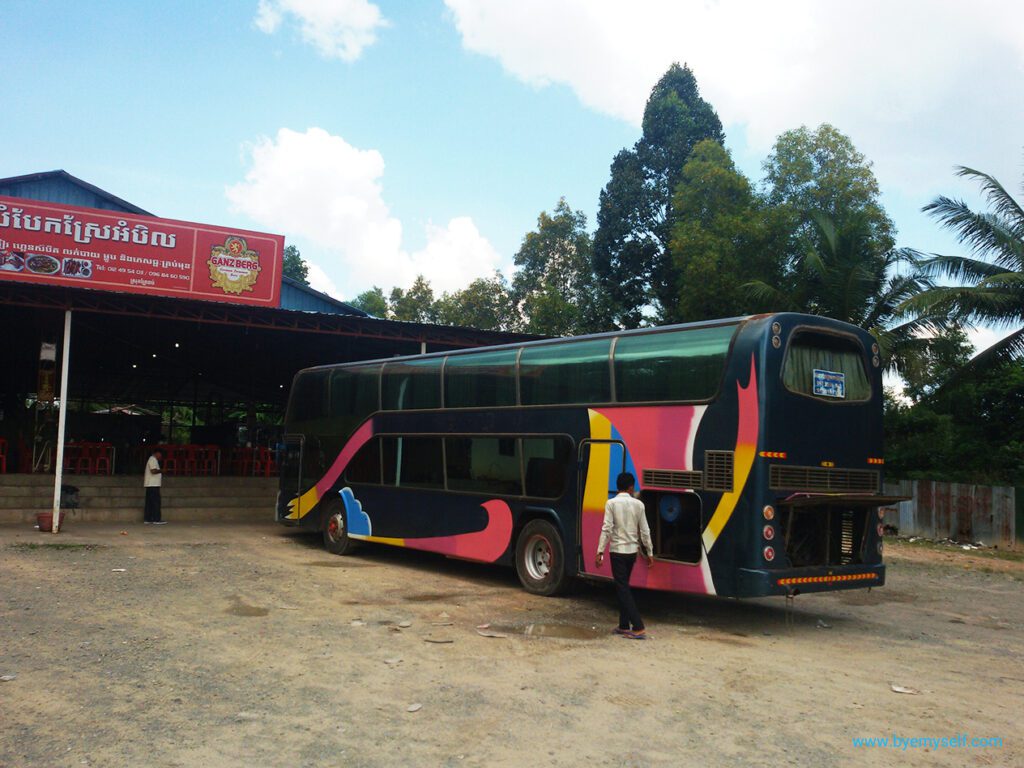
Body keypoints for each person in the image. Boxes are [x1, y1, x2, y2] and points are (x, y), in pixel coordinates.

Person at [595, 472, 653, 639]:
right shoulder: (638, 505)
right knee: (624, 586)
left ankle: (638, 626)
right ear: (630, 487)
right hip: (632, 553)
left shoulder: (611, 503)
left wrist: (600, 551)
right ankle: (623, 624)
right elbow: (645, 530)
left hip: (617, 552)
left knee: (622, 589)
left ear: (618, 486)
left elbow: (606, 529)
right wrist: (649, 552)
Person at [143, 448, 166, 525]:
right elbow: (153, 471)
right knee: (156, 502)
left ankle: (148, 518)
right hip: (153, 484)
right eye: (160, 455)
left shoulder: (152, 459)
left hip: (150, 484)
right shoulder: (152, 460)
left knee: (149, 502)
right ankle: (156, 519)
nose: (161, 457)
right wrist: (161, 471)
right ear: (157, 453)